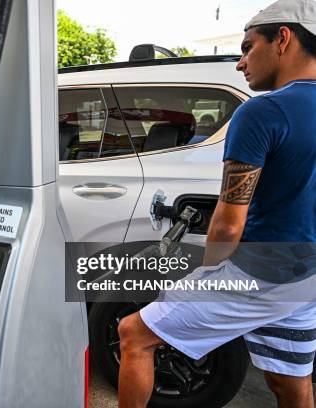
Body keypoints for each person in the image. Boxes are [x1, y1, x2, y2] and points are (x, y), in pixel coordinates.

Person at [117, 0, 316, 407]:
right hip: (306, 277)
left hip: (261, 271)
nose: (241, 64)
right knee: (289, 383)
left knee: (134, 335)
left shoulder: (263, 111)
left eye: (247, 48)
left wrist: (210, 276)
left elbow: (227, 225)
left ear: (282, 39)